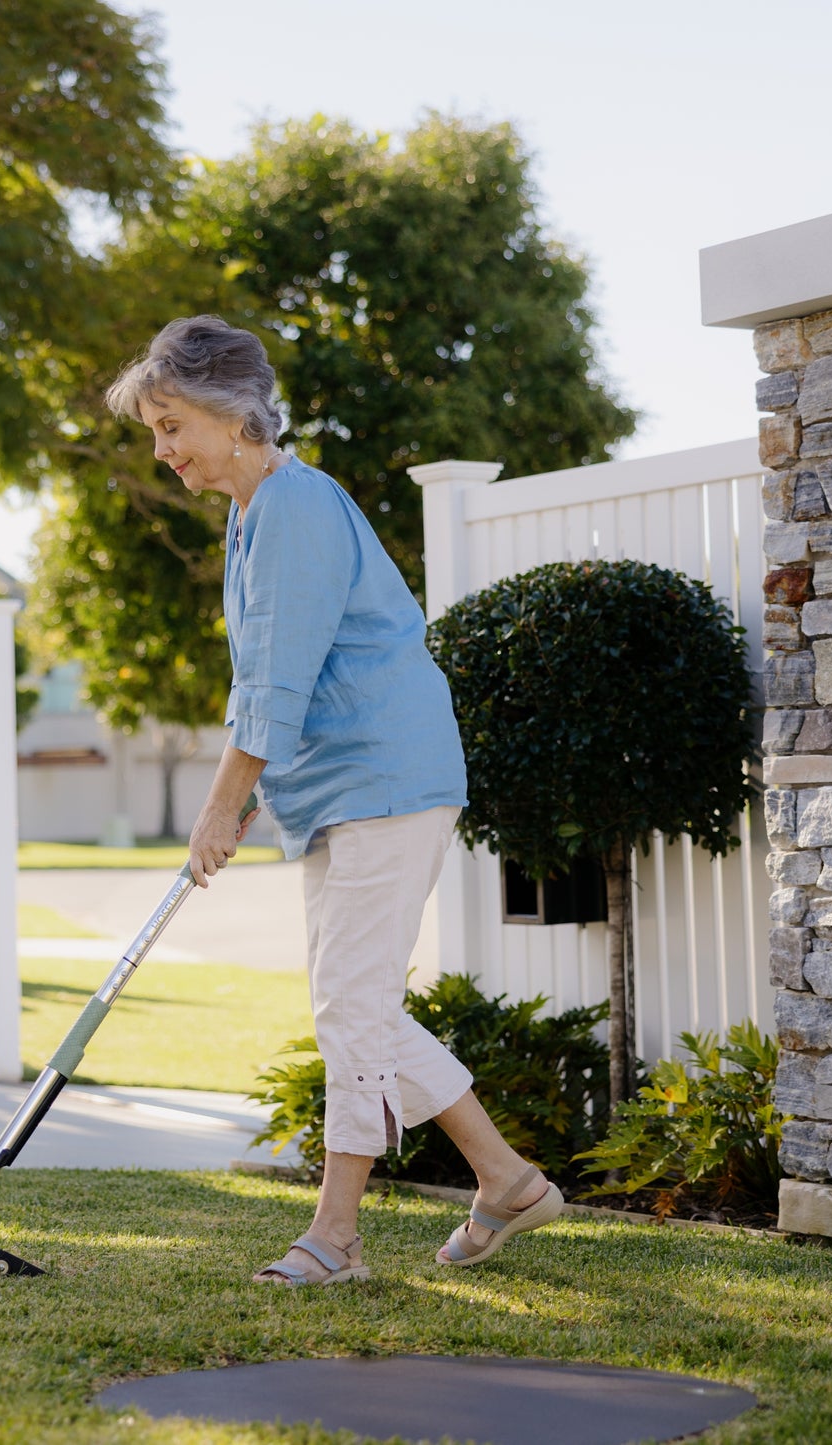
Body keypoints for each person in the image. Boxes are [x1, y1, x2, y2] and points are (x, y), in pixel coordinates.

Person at [104, 315, 563, 1284]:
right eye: (153, 431)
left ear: (231, 415)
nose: (163, 451)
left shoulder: (295, 506)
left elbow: (274, 679)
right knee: (353, 1006)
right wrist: (246, 801)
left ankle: (336, 1234)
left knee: (350, 1005)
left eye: (171, 424)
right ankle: (505, 1179)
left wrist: (220, 804)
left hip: (385, 781)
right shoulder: (253, 514)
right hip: (342, 791)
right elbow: (273, 678)